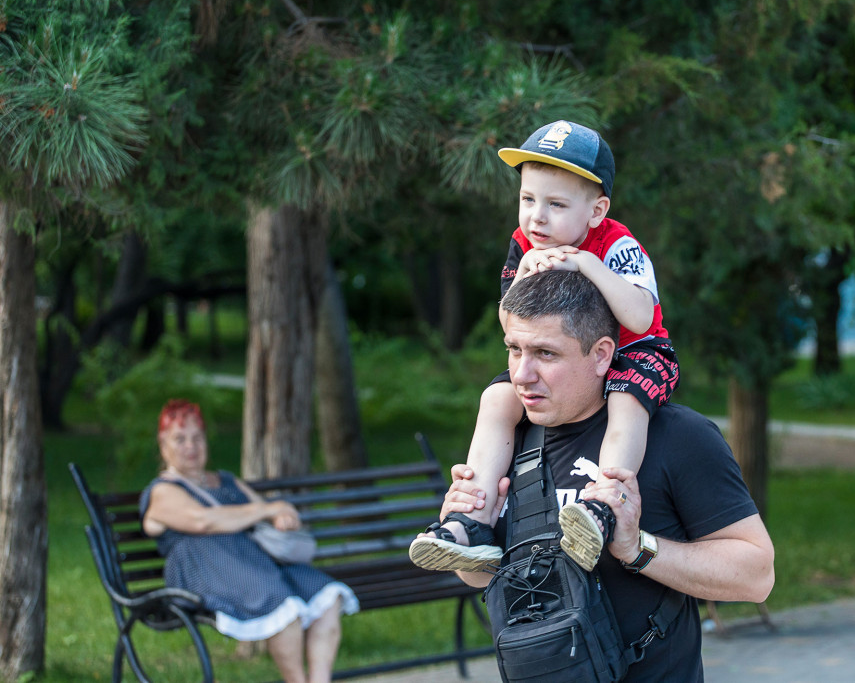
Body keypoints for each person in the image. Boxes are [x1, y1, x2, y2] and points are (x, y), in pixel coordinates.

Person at [446, 270, 774, 681]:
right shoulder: (506, 442)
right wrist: (469, 532)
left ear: (602, 355)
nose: (521, 374)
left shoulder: (677, 436)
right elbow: (480, 576)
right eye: (514, 349)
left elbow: (757, 575)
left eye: (545, 354)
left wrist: (638, 549)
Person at [410, 119, 680, 574]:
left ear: (596, 211)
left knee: (626, 403)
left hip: (637, 352)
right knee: (497, 399)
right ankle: (472, 520)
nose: (537, 217)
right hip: (561, 359)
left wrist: (588, 264)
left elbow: (638, 316)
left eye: (556, 204)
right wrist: (525, 273)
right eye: (528, 199)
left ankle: (603, 507)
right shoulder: (524, 245)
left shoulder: (616, 243)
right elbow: (510, 323)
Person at [140, 399, 359, 683]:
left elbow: (270, 512)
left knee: (326, 595)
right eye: (180, 439)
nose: (190, 446)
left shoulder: (225, 481)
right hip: (205, 570)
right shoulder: (163, 491)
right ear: (163, 444)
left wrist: (280, 516)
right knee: (282, 607)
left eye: (197, 437)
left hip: (253, 560)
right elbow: (203, 521)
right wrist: (267, 509)